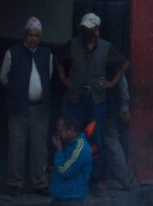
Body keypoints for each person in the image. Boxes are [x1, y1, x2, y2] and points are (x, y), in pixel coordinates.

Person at [56, 12, 128, 195]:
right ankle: (73, 177)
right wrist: (64, 77)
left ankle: (97, 180)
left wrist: (112, 82)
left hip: (97, 100)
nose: (85, 31)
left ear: (96, 30)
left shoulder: (106, 47)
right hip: (76, 98)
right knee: (73, 137)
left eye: (88, 29)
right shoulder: (73, 44)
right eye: (83, 28)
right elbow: (58, 58)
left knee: (96, 140)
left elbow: (124, 63)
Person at [0, 16, 53, 195]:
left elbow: (49, 75)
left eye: (36, 35)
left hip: (40, 108)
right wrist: (18, 91)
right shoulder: (12, 52)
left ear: (40, 36)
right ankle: (16, 183)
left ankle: (39, 182)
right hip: (18, 108)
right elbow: (3, 77)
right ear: (24, 35)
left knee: (39, 147)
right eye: (30, 35)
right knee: (17, 146)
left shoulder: (46, 54)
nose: (33, 39)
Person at [104, 75, 137, 190]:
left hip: (109, 106)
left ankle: (126, 180)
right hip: (102, 104)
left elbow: (121, 75)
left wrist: (124, 106)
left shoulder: (113, 60)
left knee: (111, 142)